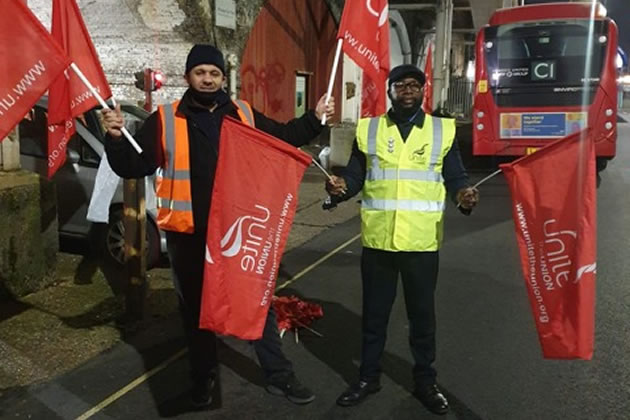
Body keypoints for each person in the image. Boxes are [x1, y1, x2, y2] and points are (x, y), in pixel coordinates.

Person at [102, 44, 334, 408]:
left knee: (256, 304)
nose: (207, 79)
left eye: (214, 73)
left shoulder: (241, 113)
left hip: (237, 231)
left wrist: (314, 118)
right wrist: (115, 139)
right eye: (200, 73)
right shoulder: (164, 119)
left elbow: (282, 138)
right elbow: (135, 165)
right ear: (188, 78)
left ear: (223, 78)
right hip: (189, 235)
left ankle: (280, 375)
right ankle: (203, 380)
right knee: (196, 313)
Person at [325, 64, 479, 415]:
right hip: (378, 241)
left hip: (421, 244)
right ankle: (368, 377)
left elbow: (455, 176)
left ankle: (425, 381)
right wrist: (340, 188)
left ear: (423, 90)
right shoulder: (371, 129)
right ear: (390, 89)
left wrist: (463, 195)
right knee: (374, 317)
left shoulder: (441, 130)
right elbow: (355, 174)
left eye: (414, 85)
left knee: (422, 318)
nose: (407, 90)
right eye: (400, 85)